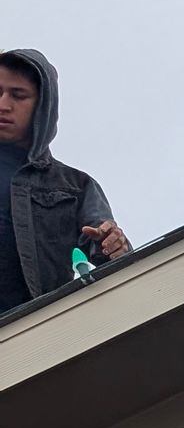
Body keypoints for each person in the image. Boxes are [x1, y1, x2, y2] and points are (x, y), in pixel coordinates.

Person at [0, 48, 131, 317]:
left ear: (41, 107)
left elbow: (113, 256)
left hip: (37, 332)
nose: (3, 104)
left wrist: (114, 245)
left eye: (18, 95)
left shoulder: (75, 186)